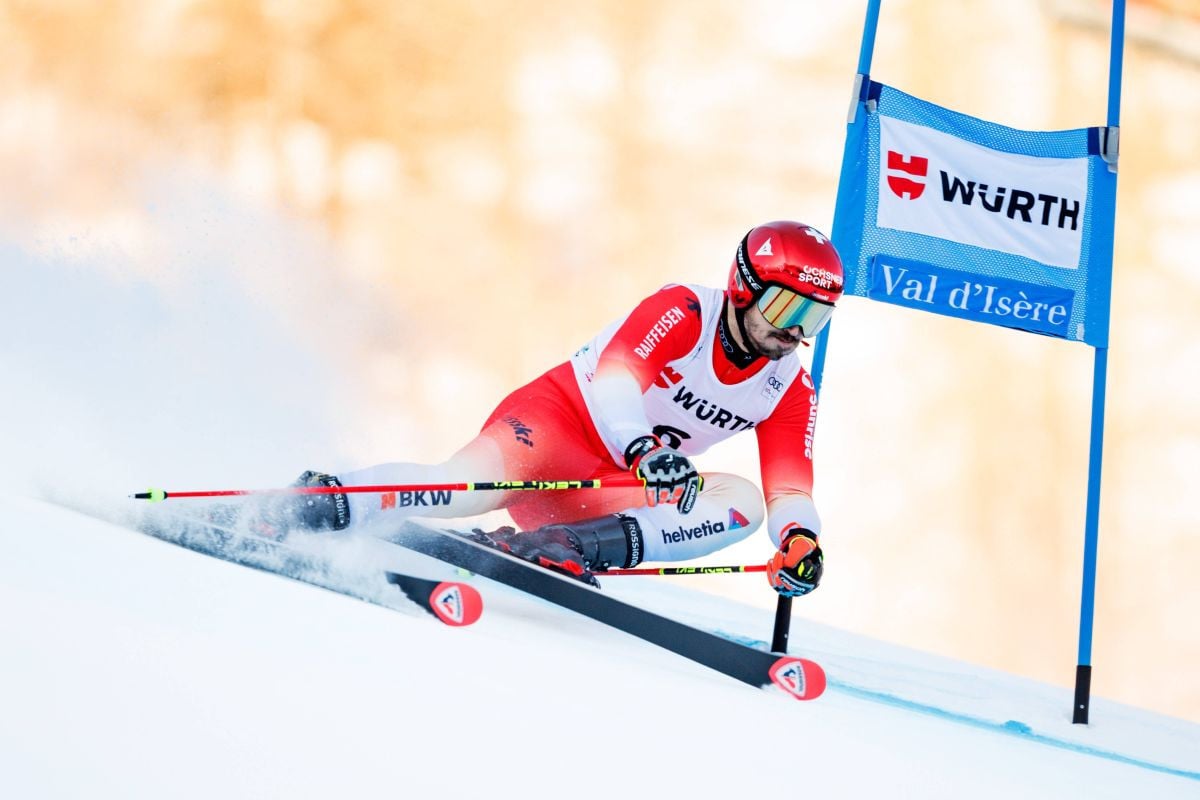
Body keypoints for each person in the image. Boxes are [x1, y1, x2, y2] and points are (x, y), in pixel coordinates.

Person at [288, 220, 842, 597]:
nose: (794, 330)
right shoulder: (686, 310)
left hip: (602, 493)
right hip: (551, 430)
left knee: (741, 502)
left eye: (813, 317)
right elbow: (617, 378)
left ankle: (565, 547)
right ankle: (327, 498)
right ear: (745, 288)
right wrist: (645, 449)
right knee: (456, 490)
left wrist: (799, 539)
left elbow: (790, 490)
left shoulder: (789, 387)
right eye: (786, 306)